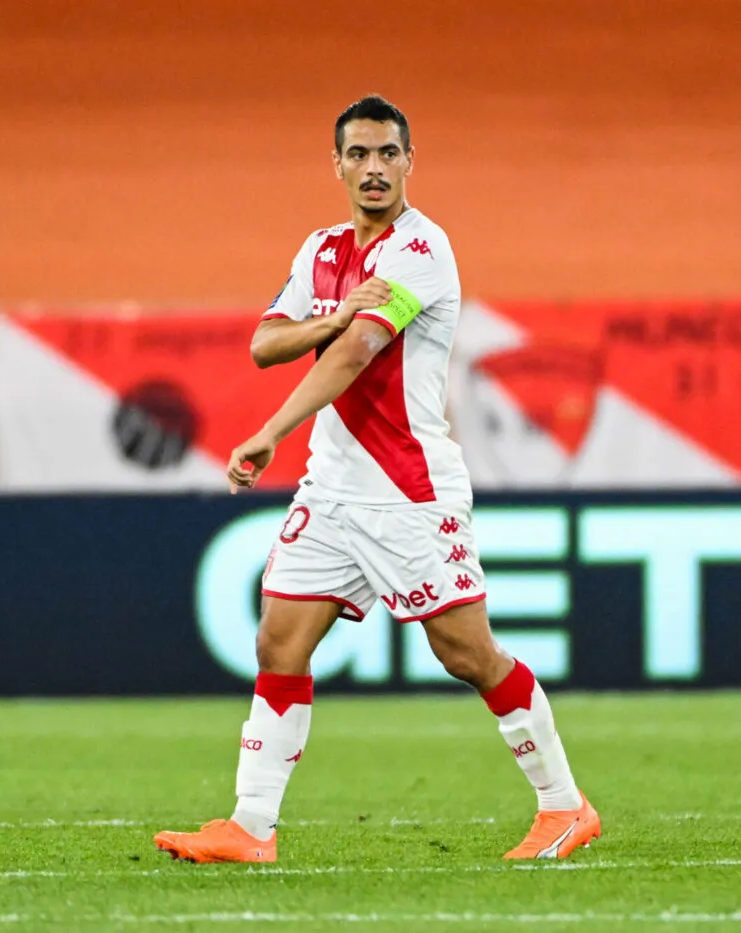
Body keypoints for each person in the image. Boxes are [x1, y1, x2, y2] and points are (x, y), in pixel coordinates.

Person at [154, 95, 599, 863]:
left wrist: (269, 432)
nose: (372, 168)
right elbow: (266, 342)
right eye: (358, 154)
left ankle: (565, 805)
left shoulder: (421, 251)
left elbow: (360, 349)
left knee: (467, 654)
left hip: (407, 489)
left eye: (387, 154)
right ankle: (251, 826)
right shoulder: (321, 251)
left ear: (408, 162)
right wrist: (324, 320)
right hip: (331, 490)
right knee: (279, 639)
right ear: (336, 165)